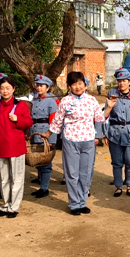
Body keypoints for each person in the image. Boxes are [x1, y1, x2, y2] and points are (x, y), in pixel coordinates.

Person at [44, 71, 110, 215]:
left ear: (85, 85)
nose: (77, 87)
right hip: (70, 140)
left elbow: (100, 118)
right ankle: (74, 204)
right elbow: (57, 120)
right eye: (74, 84)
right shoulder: (65, 101)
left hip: (88, 141)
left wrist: (109, 108)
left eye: (80, 83)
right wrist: (48, 134)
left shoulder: (92, 100)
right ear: (69, 87)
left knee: (85, 173)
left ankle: (82, 201)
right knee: (72, 174)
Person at [0, 77, 33, 218]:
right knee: (3, 178)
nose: (5, 91)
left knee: (17, 177)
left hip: (16, 146)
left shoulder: (20, 105)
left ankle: (14, 206)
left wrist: (18, 119)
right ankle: (6, 204)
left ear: (13, 89)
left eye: (8, 88)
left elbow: (29, 122)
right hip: (0, 145)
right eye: (2, 88)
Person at [103, 68, 130, 197]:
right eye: (119, 81)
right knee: (116, 161)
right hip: (115, 132)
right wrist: (106, 133)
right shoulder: (112, 93)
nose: (121, 83)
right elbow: (106, 115)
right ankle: (118, 186)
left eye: (124, 81)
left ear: (129, 81)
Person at [29, 75, 58, 198]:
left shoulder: (51, 101)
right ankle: (40, 180)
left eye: (41, 85)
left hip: (46, 133)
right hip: (35, 132)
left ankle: (44, 188)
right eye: (37, 85)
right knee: (38, 159)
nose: (39, 87)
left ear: (48, 87)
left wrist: (51, 139)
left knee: (46, 162)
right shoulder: (33, 99)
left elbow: (54, 121)